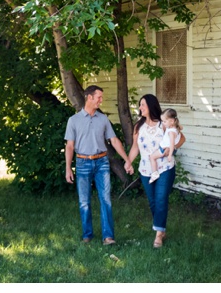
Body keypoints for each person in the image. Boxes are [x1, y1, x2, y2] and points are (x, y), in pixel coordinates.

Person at [64, 85, 133, 245]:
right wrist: (68, 168)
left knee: (106, 199)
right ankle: (87, 235)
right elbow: (69, 146)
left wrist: (126, 159)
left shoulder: (103, 119)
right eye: (99, 97)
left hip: (102, 162)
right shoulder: (73, 120)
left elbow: (114, 140)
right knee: (84, 201)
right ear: (89, 97)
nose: (101, 100)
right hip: (82, 163)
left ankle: (108, 237)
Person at [127, 94, 185, 248]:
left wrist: (171, 149)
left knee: (161, 199)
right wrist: (128, 162)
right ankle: (161, 227)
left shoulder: (163, 124)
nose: (140, 108)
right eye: (140, 105)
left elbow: (181, 138)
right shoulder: (138, 126)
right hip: (146, 169)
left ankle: (159, 235)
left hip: (165, 168)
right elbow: (135, 147)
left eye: (143, 105)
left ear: (151, 106)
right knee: (153, 201)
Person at [148, 108, 182, 183]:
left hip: (163, 149)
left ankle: (154, 173)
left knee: (152, 157)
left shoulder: (171, 132)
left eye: (164, 121)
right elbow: (181, 127)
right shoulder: (174, 127)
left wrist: (170, 155)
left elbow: (172, 144)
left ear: (172, 121)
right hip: (165, 148)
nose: (163, 123)